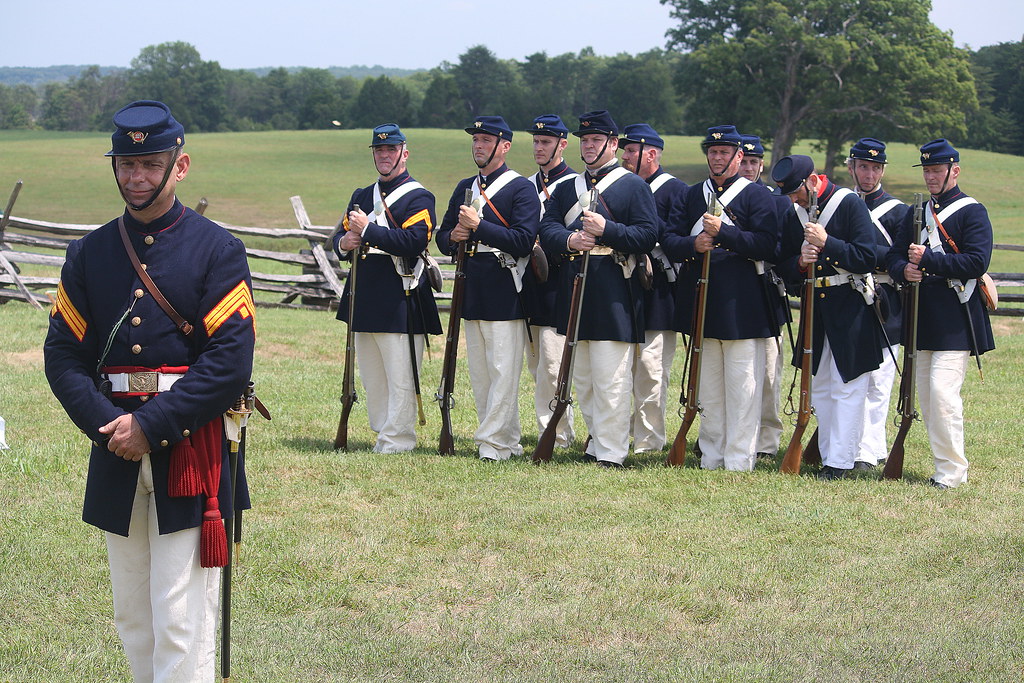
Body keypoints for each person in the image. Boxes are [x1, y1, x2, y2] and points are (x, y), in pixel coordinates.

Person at [44, 100, 255, 681]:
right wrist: (110, 427)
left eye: (150, 164)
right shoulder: (88, 253)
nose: (136, 177)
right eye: (126, 164)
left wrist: (150, 425)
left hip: (187, 446)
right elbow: (63, 354)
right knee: (133, 615)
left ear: (179, 166)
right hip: (114, 442)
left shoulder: (218, 249)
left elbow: (229, 362)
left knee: (181, 617)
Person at [538, 110, 658, 467]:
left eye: (596, 140)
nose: (588, 146)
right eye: (585, 140)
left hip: (613, 291)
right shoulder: (567, 187)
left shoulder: (633, 186)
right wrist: (571, 240)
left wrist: (608, 230)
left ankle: (612, 451)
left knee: (611, 377)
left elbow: (647, 235)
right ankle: (596, 443)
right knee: (585, 379)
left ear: (613, 143)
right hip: (576, 285)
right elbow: (547, 228)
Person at [661, 125, 780, 471]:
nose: (717, 158)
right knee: (709, 387)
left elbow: (767, 245)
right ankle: (712, 455)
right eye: (712, 152)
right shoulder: (691, 194)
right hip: (702, 299)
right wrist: (693, 244)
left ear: (739, 156)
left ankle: (739, 458)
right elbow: (669, 239)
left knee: (743, 387)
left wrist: (723, 233)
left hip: (743, 304)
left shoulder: (756, 196)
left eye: (724, 152)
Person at [885, 139, 994, 489]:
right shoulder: (915, 212)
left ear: (954, 171)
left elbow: (977, 262)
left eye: (937, 170)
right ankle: (944, 466)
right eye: (927, 171)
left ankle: (952, 472)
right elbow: (893, 256)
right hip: (922, 316)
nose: (931, 177)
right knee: (929, 400)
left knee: (942, 395)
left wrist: (928, 260)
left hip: (955, 318)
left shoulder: (972, 211)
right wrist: (904, 270)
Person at [435, 116, 540, 460]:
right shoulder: (465, 186)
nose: (478, 146)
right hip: (471, 286)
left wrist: (479, 227)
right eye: (475, 140)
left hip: (504, 286)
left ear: (504, 147)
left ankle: (491, 442)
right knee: (481, 374)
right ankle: (505, 441)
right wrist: (454, 236)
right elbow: (443, 237)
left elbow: (523, 241)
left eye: (486, 140)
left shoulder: (520, 188)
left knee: (503, 371)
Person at [333, 123, 442, 453]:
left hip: (399, 294)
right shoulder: (362, 195)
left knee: (400, 373)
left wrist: (367, 231)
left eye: (391, 149)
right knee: (373, 374)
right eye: (379, 150)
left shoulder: (419, 197)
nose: (384, 155)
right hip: (364, 293)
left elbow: (414, 241)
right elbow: (340, 238)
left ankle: (399, 438)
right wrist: (344, 243)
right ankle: (383, 430)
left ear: (404, 153)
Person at [772, 154, 882, 480]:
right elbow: (783, 265)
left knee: (848, 387)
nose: (794, 199)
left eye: (796, 192)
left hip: (850, 304)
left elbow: (867, 257)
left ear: (812, 180)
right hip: (815, 308)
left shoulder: (848, 204)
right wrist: (800, 262)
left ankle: (841, 461)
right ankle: (829, 455)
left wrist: (827, 243)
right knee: (820, 387)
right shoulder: (794, 213)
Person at [618, 123, 686, 453]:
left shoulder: (675, 191)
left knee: (651, 368)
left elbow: (678, 242)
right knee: (619, 367)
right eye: (625, 151)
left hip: (659, 291)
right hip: (623, 286)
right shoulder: (621, 186)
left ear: (652, 154)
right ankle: (616, 432)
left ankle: (648, 440)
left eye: (632, 150)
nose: (625, 156)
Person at [847, 137, 909, 469]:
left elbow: (900, 257)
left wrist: (861, 253)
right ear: (852, 168)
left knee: (880, 379)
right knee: (849, 378)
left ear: (882, 170)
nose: (868, 174)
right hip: (848, 297)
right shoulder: (842, 205)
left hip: (886, 299)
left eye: (874, 168)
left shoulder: (898, 211)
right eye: (862, 167)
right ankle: (848, 444)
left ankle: (869, 451)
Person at [524, 114, 579, 449]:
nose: (539, 148)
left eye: (545, 142)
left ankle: (557, 433)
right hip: (529, 283)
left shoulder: (574, 185)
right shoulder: (526, 184)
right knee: (536, 365)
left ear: (562, 145)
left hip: (559, 282)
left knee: (553, 364)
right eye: (536, 141)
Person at [738, 134, 790, 461]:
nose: (748, 168)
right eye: (743, 161)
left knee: (769, 372)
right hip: (730, 293)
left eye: (754, 162)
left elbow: (781, 247)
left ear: (761, 166)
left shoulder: (776, 201)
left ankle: (767, 439)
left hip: (766, 292)